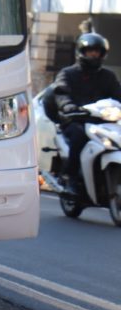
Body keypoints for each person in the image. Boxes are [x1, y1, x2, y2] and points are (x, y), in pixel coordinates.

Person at [52, 32, 121, 196]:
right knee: (79, 137)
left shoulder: (108, 76)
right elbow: (61, 92)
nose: (94, 54)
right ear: (82, 52)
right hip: (76, 120)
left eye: (97, 51)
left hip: (101, 122)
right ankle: (70, 177)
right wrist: (68, 106)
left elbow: (118, 95)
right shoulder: (68, 74)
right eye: (91, 51)